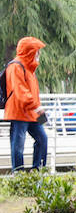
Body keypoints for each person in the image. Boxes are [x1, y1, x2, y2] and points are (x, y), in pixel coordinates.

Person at [4, 37, 46, 172]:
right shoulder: (16, 66)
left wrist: (40, 113)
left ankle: (37, 170)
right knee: (18, 146)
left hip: (32, 112)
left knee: (42, 139)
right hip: (19, 112)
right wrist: (37, 107)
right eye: (37, 51)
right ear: (30, 51)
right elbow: (20, 91)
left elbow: (32, 93)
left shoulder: (29, 68)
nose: (38, 54)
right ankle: (19, 174)